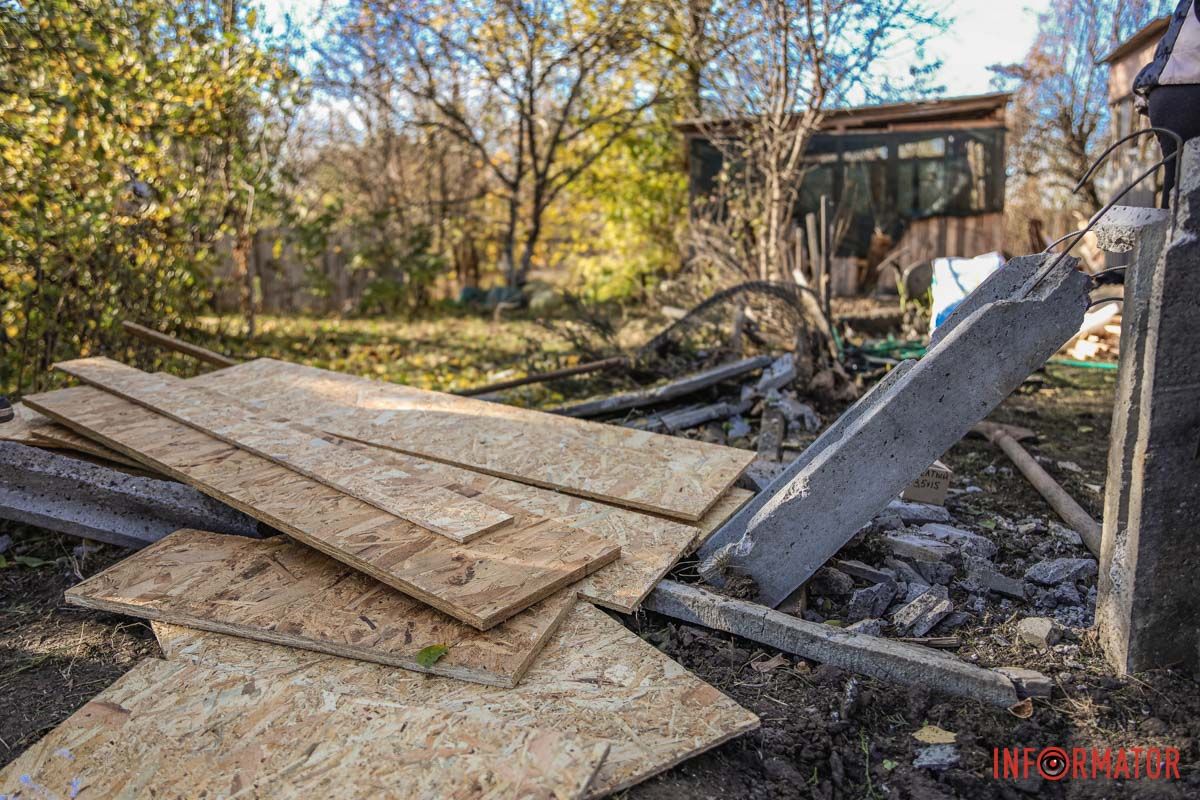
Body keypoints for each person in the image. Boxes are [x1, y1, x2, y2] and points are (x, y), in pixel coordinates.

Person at [1134, 0, 1200, 206]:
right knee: (1184, 200)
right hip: (1188, 92)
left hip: (1166, 93)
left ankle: (1168, 235)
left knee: (1177, 194)